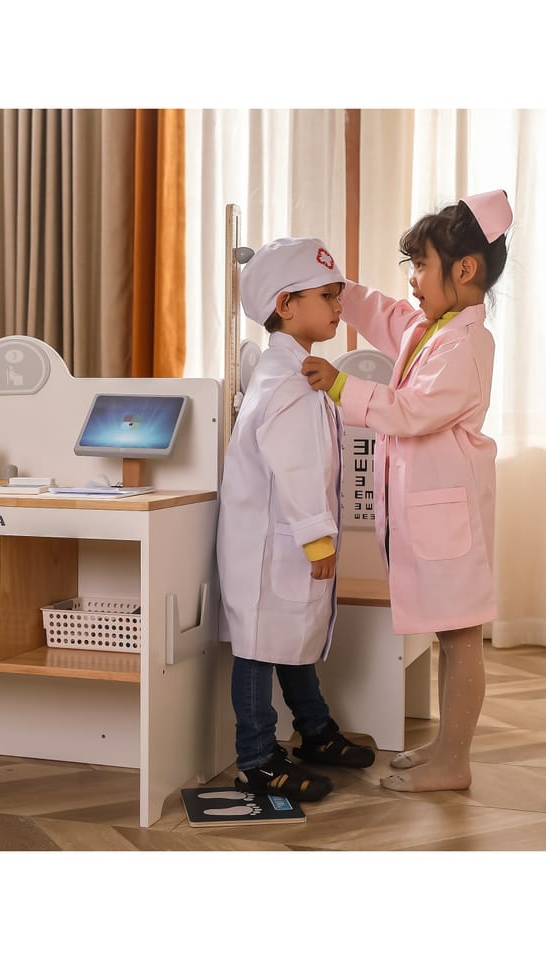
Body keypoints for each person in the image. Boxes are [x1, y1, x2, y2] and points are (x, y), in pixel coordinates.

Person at [301, 189, 512, 793]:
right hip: (432, 517)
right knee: (449, 632)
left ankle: (455, 761)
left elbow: (411, 411)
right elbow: (386, 314)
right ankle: (446, 747)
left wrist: (341, 386)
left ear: (464, 270)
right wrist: (338, 289)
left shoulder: (466, 345)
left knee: (461, 634)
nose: (412, 280)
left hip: (450, 519)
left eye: (421, 266)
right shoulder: (431, 328)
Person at [217, 236, 375, 804]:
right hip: (272, 544)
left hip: (279, 541)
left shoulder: (297, 372)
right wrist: (315, 539)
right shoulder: (285, 381)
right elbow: (297, 465)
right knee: (260, 647)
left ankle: (314, 730)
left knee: (290, 636)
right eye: (327, 296)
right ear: (285, 305)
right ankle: (257, 760)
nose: (338, 306)